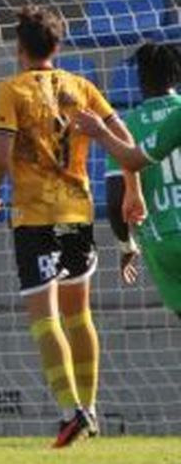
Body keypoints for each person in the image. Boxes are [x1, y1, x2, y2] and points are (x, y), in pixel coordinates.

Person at [0, 5, 135, 448]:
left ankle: (70, 412)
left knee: (45, 320)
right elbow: (124, 140)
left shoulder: (11, 89)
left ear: (19, 47)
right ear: (57, 45)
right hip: (77, 214)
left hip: (35, 218)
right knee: (79, 316)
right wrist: (132, 187)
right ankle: (91, 408)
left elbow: (2, 155)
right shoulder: (81, 86)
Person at [73, 43, 181, 319]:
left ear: (140, 79)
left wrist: (125, 244)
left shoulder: (130, 126)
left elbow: (115, 200)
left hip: (162, 239)